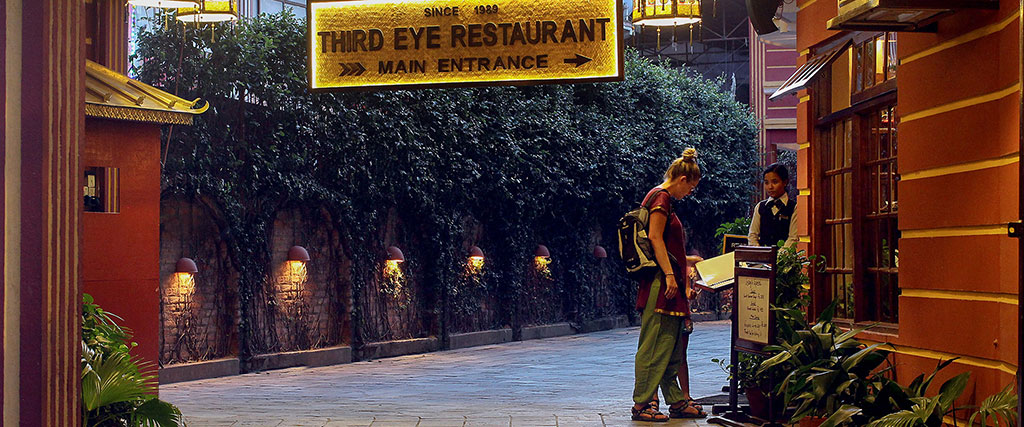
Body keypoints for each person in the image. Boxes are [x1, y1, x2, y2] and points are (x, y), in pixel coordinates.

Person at [631, 148, 707, 422]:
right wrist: (671, 276)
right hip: (661, 283)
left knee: (670, 344)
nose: (689, 193)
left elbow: (664, 243)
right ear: (683, 178)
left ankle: (676, 400)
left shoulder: (660, 198)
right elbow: (655, 238)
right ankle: (641, 404)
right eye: (691, 187)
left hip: (665, 279)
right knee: (655, 343)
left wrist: (685, 260)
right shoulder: (661, 197)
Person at [748, 163, 798, 248]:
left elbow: (793, 238)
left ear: (785, 182)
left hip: (785, 259)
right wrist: (761, 254)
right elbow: (753, 235)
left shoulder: (794, 207)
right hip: (762, 259)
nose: (770, 187)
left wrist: (778, 258)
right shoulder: (760, 207)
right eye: (766, 183)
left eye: (775, 182)